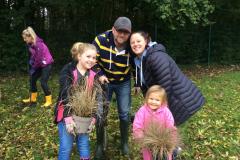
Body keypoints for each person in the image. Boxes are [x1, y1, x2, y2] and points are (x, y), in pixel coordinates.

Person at [130, 31, 205, 126]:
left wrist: (159, 109)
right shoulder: (139, 61)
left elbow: (165, 85)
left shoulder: (156, 57)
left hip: (179, 99)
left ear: (146, 41)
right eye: (132, 42)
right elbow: (147, 87)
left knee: (173, 132)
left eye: (138, 41)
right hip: (163, 99)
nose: (135, 44)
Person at [92, 16, 134, 158]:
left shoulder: (132, 44)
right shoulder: (100, 40)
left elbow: (139, 62)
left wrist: (139, 82)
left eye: (126, 32)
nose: (122, 35)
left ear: (130, 33)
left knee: (124, 112)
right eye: (119, 31)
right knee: (100, 112)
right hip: (105, 81)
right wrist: (99, 74)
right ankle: (99, 144)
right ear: (113, 29)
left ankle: (124, 142)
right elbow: (92, 60)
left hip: (124, 81)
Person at [54, 42, 103, 160]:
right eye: (88, 56)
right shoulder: (68, 71)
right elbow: (65, 94)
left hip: (84, 117)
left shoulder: (94, 75)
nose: (91, 60)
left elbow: (96, 99)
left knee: (84, 144)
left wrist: (94, 118)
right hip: (66, 115)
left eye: (94, 58)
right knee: (66, 146)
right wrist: (68, 118)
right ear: (79, 56)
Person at [133, 85, 176, 160]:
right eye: (151, 99)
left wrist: (171, 140)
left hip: (163, 143)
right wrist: (141, 138)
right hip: (148, 142)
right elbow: (137, 125)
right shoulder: (142, 111)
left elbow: (170, 125)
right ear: (147, 98)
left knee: (165, 157)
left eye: (157, 100)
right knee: (148, 157)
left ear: (162, 101)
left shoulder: (166, 111)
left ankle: (173, 153)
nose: (153, 102)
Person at [21, 26, 54, 107]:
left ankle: (49, 101)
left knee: (43, 82)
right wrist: (31, 61)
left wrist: (33, 68)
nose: (24, 40)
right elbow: (34, 56)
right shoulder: (31, 44)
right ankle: (32, 99)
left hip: (46, 64)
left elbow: (39, 59)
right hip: (40, 64)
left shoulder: (38, 44)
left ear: (30, 36)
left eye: (25, 38)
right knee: (32, 79)